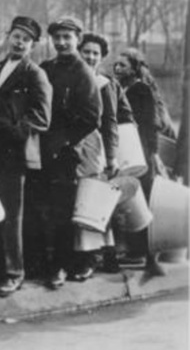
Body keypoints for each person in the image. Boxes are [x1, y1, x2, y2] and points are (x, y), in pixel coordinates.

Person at [0, 16, 52, 297]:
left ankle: (14, 272)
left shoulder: (34, 74)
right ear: (8, 36)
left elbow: (42, 116)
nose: (20, 43)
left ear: (33, 45)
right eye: (16, 36)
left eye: (26, 40)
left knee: (11, 214)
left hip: (13, 153)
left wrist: (14, 131)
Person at [35, 16, 103, 288]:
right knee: (41, 207)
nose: (61, 43)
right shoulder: (46, 68)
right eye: (57, 37)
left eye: (67, 37)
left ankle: (60, 266)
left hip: (65, 154)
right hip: (40, 148)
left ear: (77, 39)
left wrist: (64, 141)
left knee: (62, 211)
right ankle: (40, 261)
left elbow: (92, 117)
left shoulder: (82, 72)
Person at [79, 32, 135, 273]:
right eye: (86, 52)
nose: (90, 57)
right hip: (72, 148)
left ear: (101, 57)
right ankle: (86, 255)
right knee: (79, 202)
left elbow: (112, 121)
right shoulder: (70, 78)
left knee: (95, 200)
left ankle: (99, 256)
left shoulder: (104, 83)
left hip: (95, 147)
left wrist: (112, 156)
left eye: (95, 53)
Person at [114, 48, 173, 276]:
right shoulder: (124, 88)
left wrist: (150, 155)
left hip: (140, 153)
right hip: (130, 152)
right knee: (132, 201)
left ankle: (142, 253)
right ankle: (135, 250)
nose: (117, 68)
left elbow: (149, 125)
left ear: (134, 69)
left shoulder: (140, 90)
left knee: (140, 202)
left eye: (123, 65)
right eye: (116, 64)